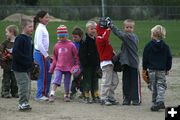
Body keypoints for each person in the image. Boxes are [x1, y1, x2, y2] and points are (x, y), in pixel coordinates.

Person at [108, 18, 141, 105]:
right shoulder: (126, 38)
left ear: (133, 29)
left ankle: (136, 99)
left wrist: (111, 26)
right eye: (127, 27)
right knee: (126, 82)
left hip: (133, 63)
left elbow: (119, 34)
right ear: (124, 28)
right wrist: (116, 57)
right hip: (126, 63)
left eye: (130, 27)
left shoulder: (131, 37)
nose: (129, 29)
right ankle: (127, 98)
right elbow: (124, 50)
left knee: (134, 82)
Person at [142, 25, 172, 111]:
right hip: (161, 70)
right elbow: (169, 58)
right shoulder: (166, 47)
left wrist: (144, 69)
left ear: (153, 34)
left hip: (151, 70)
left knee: (153, 86)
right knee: (161, 85)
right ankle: (160, 101)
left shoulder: (148, 46)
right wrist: (167, 68)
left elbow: (145, 58)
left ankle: (155, 102)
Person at [48, 25, 79, 102]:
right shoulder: (57, 46)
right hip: (59, 67)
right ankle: (52, 94)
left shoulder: (72, 45)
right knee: (56, 79)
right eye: (60, 37)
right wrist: (51, 69)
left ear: (66, 35)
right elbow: (55, 58)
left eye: (63, 36)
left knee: (67, 82)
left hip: (69, 68)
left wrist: (76, 66)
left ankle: (66, 95)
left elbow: (76, 57)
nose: (61, 38)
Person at [96, 17, 119, 106]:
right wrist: (108, 28)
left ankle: (110, 97)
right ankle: (103, 98)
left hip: (111, 62)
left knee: (115, 81)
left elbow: (109, 47)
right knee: (106, 81)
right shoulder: (99, 38)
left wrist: (115, 56)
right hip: (106, 63)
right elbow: (105, 38)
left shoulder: (105, 37)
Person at [12, 18, 34, 111]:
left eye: (33, 26)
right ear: (24, 27)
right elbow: (16, 53)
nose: (32, 28)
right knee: (23, 85)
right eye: (30, 26)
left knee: (28, 86)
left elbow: (29, 53)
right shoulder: (20, 38)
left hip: (26, 67)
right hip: (19, 68)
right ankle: (22, 103)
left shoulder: (29, 38)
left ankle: (25, 102)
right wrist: (27, 62)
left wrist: (32, 62)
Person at [78, 21, 101, 103]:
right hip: (87, 65)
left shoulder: (96, 39)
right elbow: (81, 54)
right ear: (87, 30)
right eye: (91, 29)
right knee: (87, 80)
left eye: (95, 29)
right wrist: (84, 63)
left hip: (95, 64)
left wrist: (99, 62)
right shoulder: (84, 40)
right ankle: (86, 95)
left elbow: (98, 52)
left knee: (95, 80)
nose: (93, 30)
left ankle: (95, 94)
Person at [33, 10, 52, 101]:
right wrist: (46, 55)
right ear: (40, 19)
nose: (48, 19)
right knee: (42, 75)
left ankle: (45, 93)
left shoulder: (43, 27)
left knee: (48, 74)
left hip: (43, 54)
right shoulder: (40, 28)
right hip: (41, 54)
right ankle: (40, 95)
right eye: (46, 17)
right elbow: (39, 44)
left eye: (48, 17)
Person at [0, 25, 19, 98]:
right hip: (7, 65)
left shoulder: (18, 42)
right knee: (6, 79)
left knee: (15, 79)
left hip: (15, 65)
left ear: (12, 32)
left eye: (7, 32)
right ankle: (5, 92)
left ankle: (15, 92)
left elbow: (20, 52)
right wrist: (4, 57)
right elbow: (1, 51)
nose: (6, 34)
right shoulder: (5, 43)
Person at [70, 27, 84, 99]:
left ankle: (82, 92)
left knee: (79, 78)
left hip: (82, 64)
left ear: (81, 37)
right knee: (76, 78)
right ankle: (73, 92)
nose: (74, 38)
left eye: (75, 37)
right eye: (73, 37)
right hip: (75, 65)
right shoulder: (72, 44)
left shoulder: (83, 44)